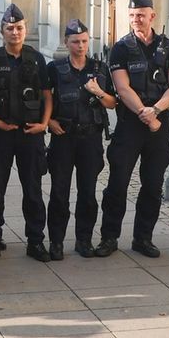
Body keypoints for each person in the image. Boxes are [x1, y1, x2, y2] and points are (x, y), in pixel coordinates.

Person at [96, 0, 169, 257]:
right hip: (130, 125)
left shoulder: (168, 47)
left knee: (152, 186)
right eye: (132, 15)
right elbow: (122, 88)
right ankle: (109, 238)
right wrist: (144, 113)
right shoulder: (121, 48)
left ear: (152, 16)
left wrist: (156, 110)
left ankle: (143, 238)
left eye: (141, 15)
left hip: (158, 124)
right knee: (118, 184)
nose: (136, 20)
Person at [0, 3, 53, 263]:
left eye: (19, 28)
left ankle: (36, 241)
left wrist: (44, 123)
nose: (15, 32)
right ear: (2, 31)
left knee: (33, 191)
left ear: (25, 29)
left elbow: (47, 95)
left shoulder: (37, 58)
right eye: (10, 28)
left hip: (31, 134)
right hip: (1, 135)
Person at [47, 19, 114, 259]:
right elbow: (44, 99)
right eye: (75, 42)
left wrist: (98, 91)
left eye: (84, 41)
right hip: (63, 137)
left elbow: (112, 103)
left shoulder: (99, 68)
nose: (81, 46)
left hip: (90, 138)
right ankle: (56, 241)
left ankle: (84, 240)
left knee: (88, 193)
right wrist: (49, 122)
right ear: (66, 42)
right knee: (59, 193)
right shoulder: (54, 68)